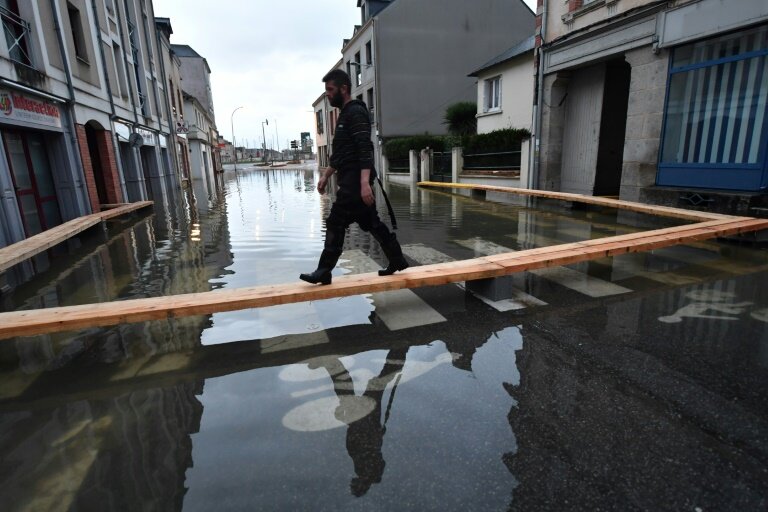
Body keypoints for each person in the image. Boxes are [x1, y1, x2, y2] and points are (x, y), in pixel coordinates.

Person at [300, 69, 408, 285]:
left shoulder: (356, 112)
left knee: (335, 222)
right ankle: (397, 259)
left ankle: (324, 271)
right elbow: (340, 155)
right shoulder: (345, 115)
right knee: (372, 223)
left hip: (354, 183)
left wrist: (363, 184)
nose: (328, 94)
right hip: (352, 180)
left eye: (330, 90)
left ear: (344, 89)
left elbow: (364, 149)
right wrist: (325, 176)